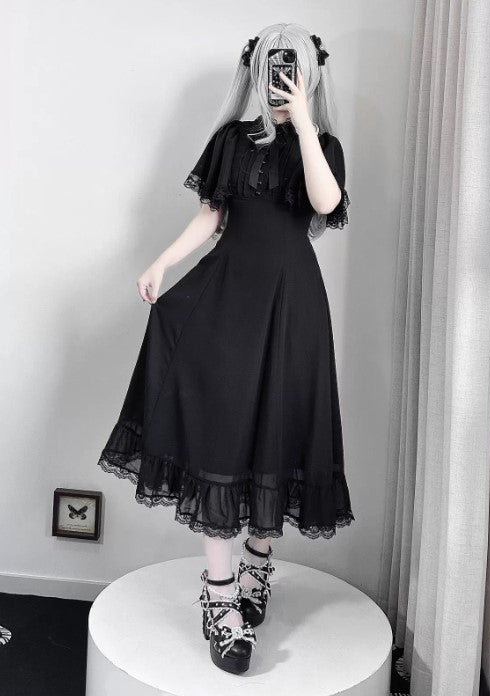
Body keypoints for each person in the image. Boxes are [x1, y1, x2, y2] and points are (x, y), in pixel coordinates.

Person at [97, 22, 355, 674]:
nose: (280, 80)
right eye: (272, 67)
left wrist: (303, 124)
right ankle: (219, 599)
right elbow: (212, 215)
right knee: (221, 432)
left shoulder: (322, 145)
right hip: (228, 297)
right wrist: (161, 262)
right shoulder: (232, 142)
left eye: (292, 69)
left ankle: (257, 567)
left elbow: (325, 202)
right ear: (256, 72)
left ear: (309, 76)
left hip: (293, 306)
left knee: (278, 431)